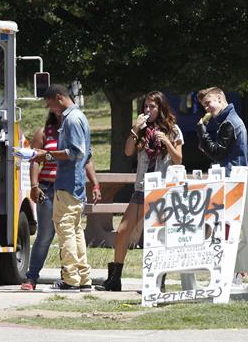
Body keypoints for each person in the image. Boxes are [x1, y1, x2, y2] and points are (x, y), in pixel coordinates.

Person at [96, 91, 183, 291]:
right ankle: (115, 277)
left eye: (152, 107)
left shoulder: (174, 130)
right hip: (142, 189)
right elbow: (128, 151)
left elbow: (178, 159)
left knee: (160, 236)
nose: (148, 110)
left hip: (162, 191)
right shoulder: (142, 130)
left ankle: (158, 281)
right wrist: (135, 129)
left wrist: (167, 142)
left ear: (161, 108)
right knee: (123, 231)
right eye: (145, 106)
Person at [21, 111, 101, 291]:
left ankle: (70, 276)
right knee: (45, 235)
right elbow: (34, 160)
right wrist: (34, 186)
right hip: (48, 188)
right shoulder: (44, 133)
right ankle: (32, 278)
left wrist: (95, 183)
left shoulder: (74, 131)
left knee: (70, 232)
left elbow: (86, 158)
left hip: (68, 188)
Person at [31, 84, 93, 292]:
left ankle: (70, 279)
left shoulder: (71, 119)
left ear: (59, 98)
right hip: (75, 184)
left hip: (67, 183)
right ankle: (83, 277)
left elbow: (75, 152)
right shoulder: (80, 117)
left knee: (65, 230)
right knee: (76, 231)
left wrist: (46, 155)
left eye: (50, 104)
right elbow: (88, 153)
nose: (51, 109)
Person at [196, 87, 248, 176]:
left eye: (208, 103)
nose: (206, 108)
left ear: (219, 98)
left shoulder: (229, 122)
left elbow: (217, 153)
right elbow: (221, 151)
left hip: (234, 178)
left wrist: (202, 130)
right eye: (204, 106)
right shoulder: (228, 120)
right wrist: (206, 146)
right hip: (235, 177)